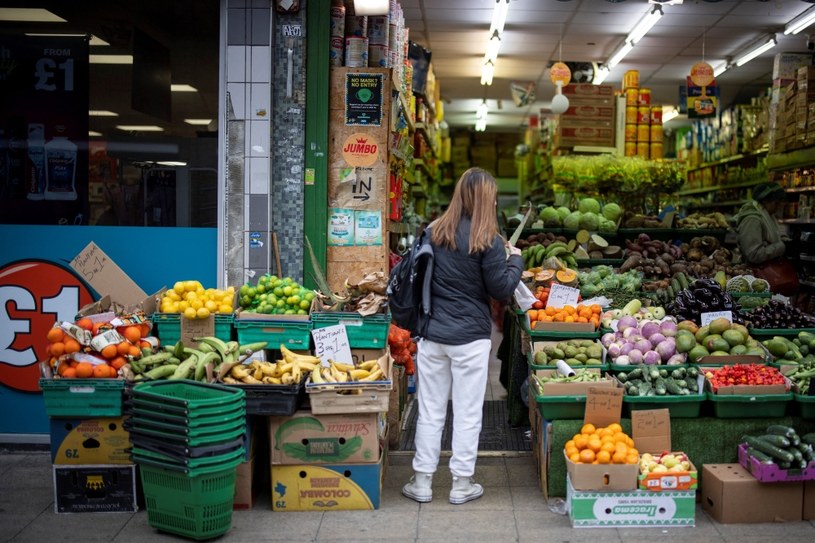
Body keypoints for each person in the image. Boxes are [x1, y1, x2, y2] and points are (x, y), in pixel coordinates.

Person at [402, 167, 524, 505]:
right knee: (469, 412)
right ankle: (461, 484)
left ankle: (423, 481)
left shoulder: (432, 232)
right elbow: (501, 288)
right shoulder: (487, 239)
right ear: (486, 199)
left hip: (433, 334)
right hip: (470, 338)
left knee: (430, 410)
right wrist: (516, 260)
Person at [735, 182, 798, 295]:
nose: (779, 206)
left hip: (765, 277)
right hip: (758, 279)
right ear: (765, 201)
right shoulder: (752, 219)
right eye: (776, 202)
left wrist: (785, 240)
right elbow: (753, 254)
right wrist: (781, 246)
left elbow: (769, 237)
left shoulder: (767, 215)